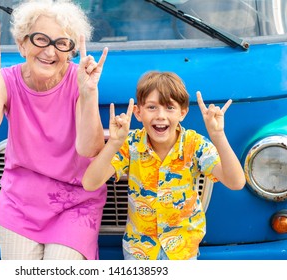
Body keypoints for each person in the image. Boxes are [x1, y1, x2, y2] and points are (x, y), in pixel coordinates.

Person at [0, 0, 108, 260]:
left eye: (61, 44)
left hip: (75, 204)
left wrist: (89, 94)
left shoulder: (81, 81)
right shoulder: (6, 80)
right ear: (22, 44)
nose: (50, 52)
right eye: (41, 39)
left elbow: (90, 149)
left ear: (70, 51)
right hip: (21, 204)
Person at [82, 71, 246, 260]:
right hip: (139, 251)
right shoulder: (130, 144)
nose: (160, 116)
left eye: (169, 107)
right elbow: (90, 183)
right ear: (138, 112)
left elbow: (236, 182)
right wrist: (113, 143)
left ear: (182, 113)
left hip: (182, 250)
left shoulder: (195, 144)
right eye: (152, 107)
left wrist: (218, 135)